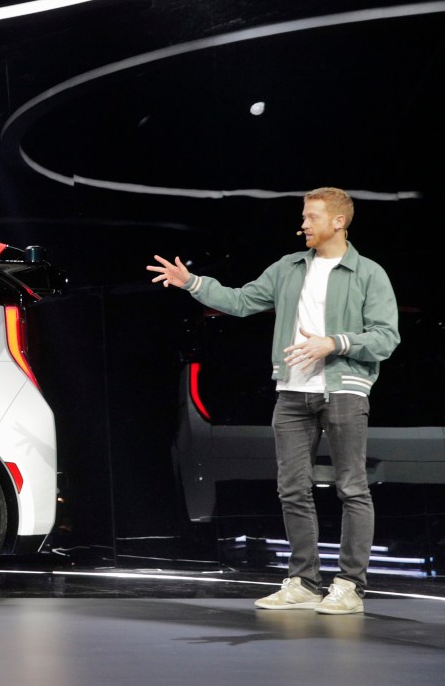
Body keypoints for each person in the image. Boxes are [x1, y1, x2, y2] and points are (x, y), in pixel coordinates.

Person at [146, 187, 398, 615]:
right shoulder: (288, 268)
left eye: (312, 217)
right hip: (293, 391)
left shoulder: (368, 273)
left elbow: (385, 338)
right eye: (304, 216)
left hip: (344, 390)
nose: (303, 224)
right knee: (291, 488)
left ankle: (350, 586)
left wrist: (332, 344)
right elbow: (243, 301)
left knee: (352, 488)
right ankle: (303, 581)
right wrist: (192, 283)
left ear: (339, 221)